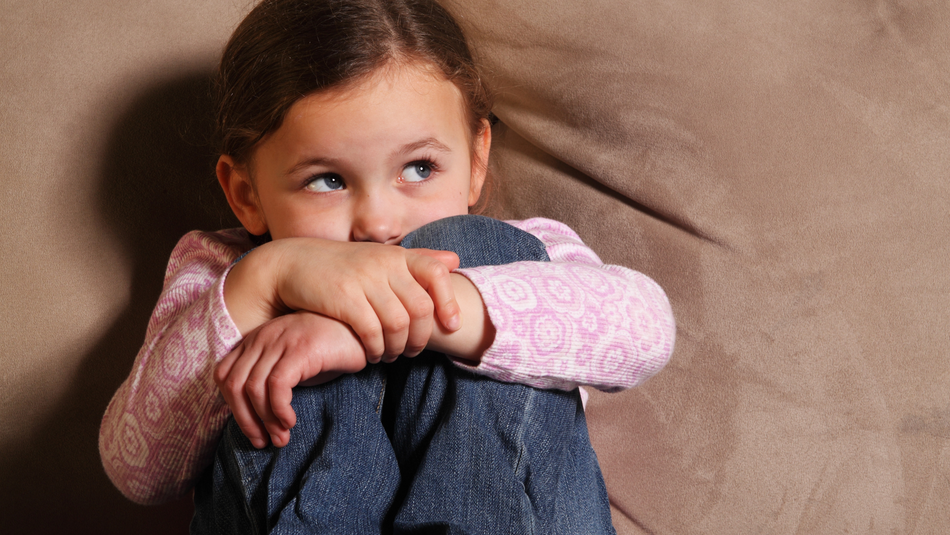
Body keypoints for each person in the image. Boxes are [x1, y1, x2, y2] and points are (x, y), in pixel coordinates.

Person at [98, 0, 676, 532]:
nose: (377, 223)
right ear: (246, 193)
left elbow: (648, 327)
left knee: (471, 245)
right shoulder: (222, 272)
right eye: (327, 180)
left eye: (420, 168)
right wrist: (267, 282)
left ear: (477, 160)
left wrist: (390, 320)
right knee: (279, 339)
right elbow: (138, 472)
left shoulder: (534, 250)